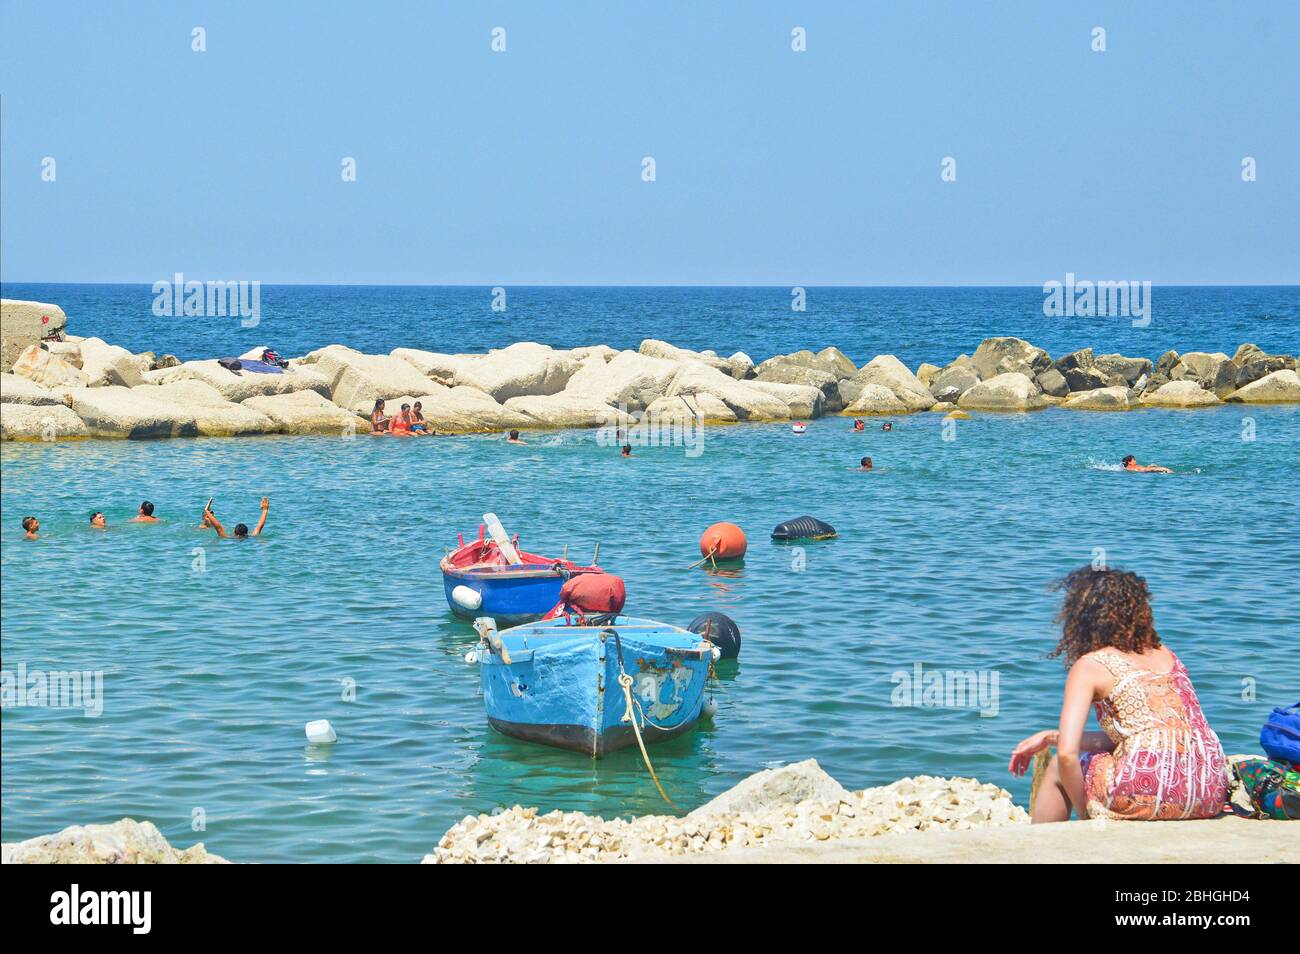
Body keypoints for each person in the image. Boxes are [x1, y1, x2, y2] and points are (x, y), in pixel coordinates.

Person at [1008, 567, 1228, 823]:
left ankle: (1042, 852)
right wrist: (1051, 737)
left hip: (1147, 790)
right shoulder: (1167, 654)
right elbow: (1145, 737)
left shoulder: (1092, 665)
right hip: (1209, 789)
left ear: (1085, 617)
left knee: (1058, 766)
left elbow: (1068, 756)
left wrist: (1087, 813)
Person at [202, 497, 269, 539]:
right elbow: (260, 525)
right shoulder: (253, 536)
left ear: (234, 532)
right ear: (247, 532)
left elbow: (218, 527)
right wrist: (265, 509)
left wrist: (207, 511)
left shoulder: (228, 538)